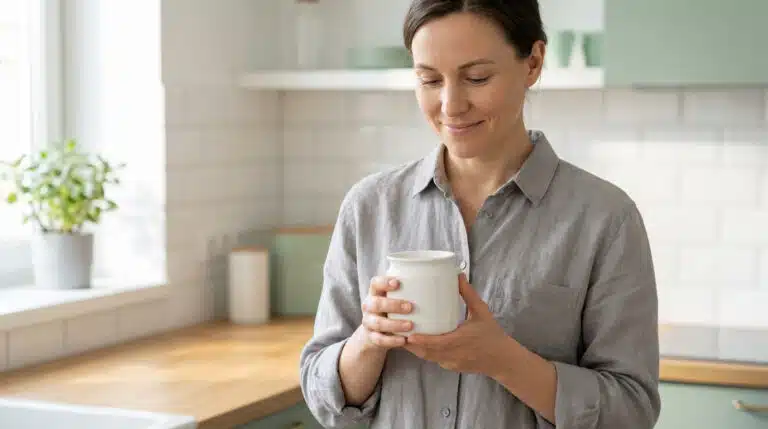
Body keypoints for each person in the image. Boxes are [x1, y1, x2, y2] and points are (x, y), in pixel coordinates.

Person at [299, 0, 661, 428]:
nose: (450, 105)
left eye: (476, 78)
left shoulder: (605, 219)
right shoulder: (369, 207)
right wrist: (369, 341)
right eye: (429, 79)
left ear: (533, 63)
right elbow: (321, 393)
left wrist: (504, 360)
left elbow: (632, 409)